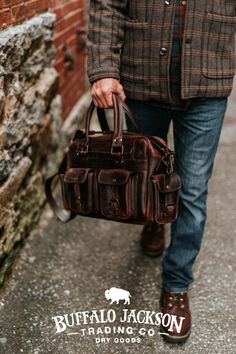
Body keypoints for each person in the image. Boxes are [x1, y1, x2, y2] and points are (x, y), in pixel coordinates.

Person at [86, 0, 236, 343]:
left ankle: (176, 284)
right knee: (143, 180)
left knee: (193, 190)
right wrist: (103, 70)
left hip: (206, 86)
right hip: (141, 80)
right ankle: (155, 218)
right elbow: (108, 5)